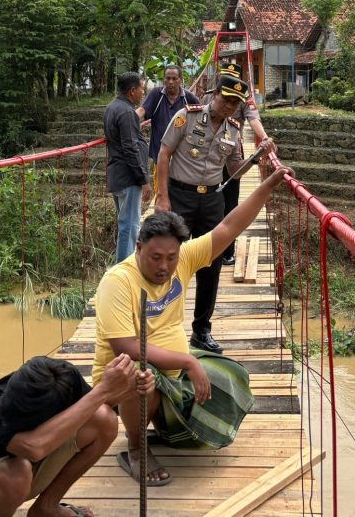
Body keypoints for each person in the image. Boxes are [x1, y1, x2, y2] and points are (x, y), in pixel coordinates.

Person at [92, 165, 292, 486]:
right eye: (155, 257)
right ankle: (136, 449)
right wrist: (188, 361)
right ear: (138, 248)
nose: (164, 266)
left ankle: (167, 421)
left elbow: (229, 227)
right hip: (123, 380)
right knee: (138, 374)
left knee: (231, 377)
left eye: (171, 257)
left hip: (174, 369)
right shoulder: (118, 282)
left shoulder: (183, 258)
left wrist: (268, 185)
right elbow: (125, 346)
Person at [0, 355, 153, 517]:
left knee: (104, 419)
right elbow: (33, 449)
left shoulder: (62, 379)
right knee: (17, 471)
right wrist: (102, 390)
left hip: (30, 467)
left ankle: (46, 507)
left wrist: (133, 389)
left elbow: (101, 405)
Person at [154, 75, 275, 353]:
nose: (230, 107)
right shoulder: (187, 117)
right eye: (227, 100)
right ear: (215, 95)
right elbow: (164, 154)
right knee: (168, 259)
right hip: (180, 197)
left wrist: (256, 157)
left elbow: (234, 172)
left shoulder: (233, 130)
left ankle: (201, 330)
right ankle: (161, 326)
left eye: (236, 103)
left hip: (212, 201)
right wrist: (162, 196)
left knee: (211, 264)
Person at [201, 63, 276, 266]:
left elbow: (253, 119)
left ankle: (227, 252)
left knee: (230, 203)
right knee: (205, 200)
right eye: (225, 76)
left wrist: (265, 139)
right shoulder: (208, 97)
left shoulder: (243, 99)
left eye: (234, 77)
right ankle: (204, 249)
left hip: (231, 153)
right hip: (208, 155)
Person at [104, 71, 152, 263]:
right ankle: (124, 271)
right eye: (141, 89)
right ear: (132, 91)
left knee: (125, 224)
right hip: (128, 177)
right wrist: (144, 180)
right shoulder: (126, 112)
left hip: (117, 174)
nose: (143, 93)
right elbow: (130, 149)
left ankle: (121, 267)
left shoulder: (112, 107)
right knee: (130, 227)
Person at [136, 65, 200, 196]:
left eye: (174, 78)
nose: (171, 82)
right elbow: (142, 110)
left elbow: (201, 119)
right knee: (161, 193)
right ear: (164, 79)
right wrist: (128, 119)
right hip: (160, 154)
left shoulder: (189, 98)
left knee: (180, 192)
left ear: (180, 80)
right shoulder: (156, 95)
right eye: (168, 78)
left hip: (182, 157)